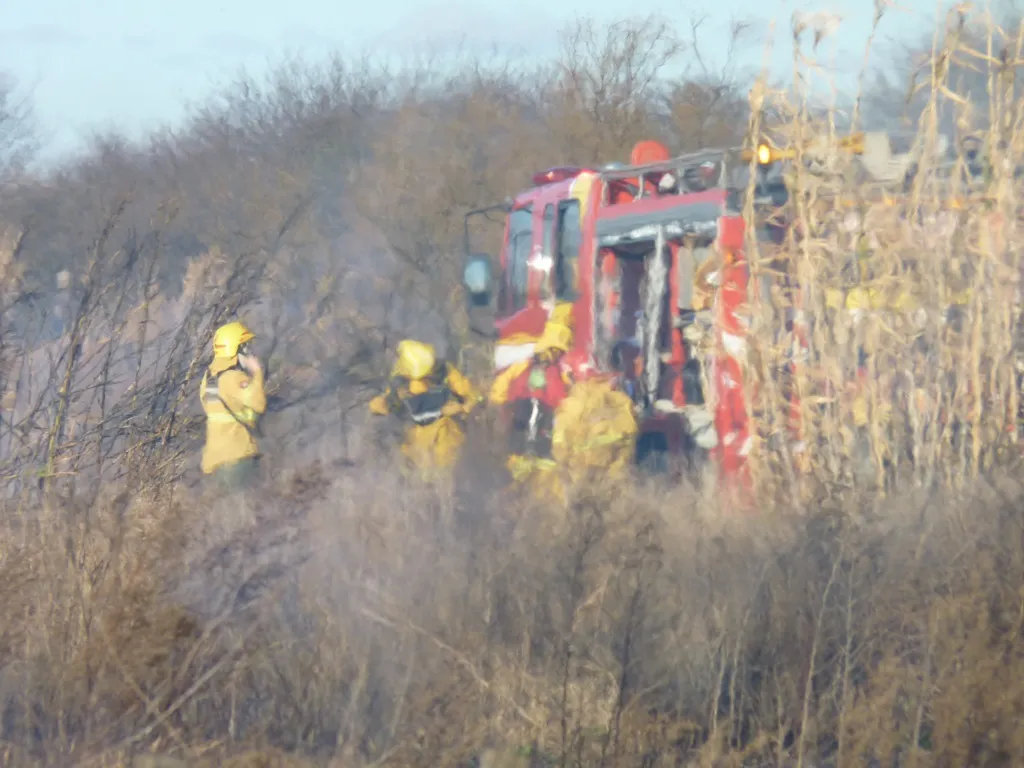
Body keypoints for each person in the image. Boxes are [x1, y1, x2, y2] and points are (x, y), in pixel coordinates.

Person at [369, 339, 481, 475]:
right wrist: (389, 401)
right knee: (420, 459)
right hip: (417, 435)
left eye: (429, 374)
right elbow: (380, 407)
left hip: (446, 430)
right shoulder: (402, 385)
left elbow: (470, 394)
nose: (425, 382)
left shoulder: (444, 371)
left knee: (446, 451)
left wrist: (465, 406)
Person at [200, 320, 267, 490]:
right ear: (236, 349)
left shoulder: (209, 378)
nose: (249, 351)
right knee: (252, 511)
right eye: (245, 347)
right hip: (238, 458)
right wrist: (257, 372)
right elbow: (258, 403)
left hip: (216, 461)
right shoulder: (235, 378)